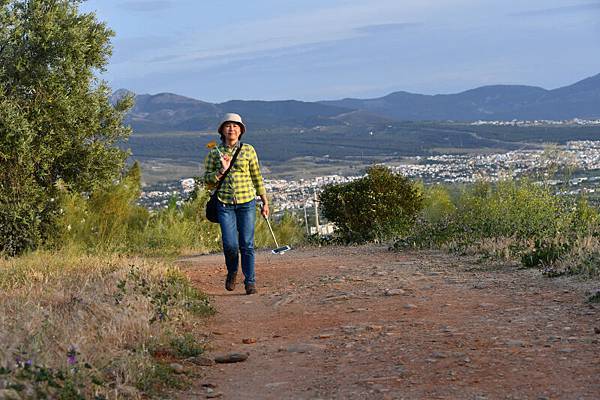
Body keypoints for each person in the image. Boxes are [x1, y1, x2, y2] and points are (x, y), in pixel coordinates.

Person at [203, 113, 269, 295]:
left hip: (247, 202)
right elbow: (207, 181)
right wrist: (220, 171)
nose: (232, 129)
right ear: (222, 131)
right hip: (224, 204)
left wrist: (265, 202)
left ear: (241, 131)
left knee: (247, 244)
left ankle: (250, 282)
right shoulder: (214, 154)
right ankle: (232, 271)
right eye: (228, 126)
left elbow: (257, 176)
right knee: (230, 244)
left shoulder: (248, 150)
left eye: (235, 126)